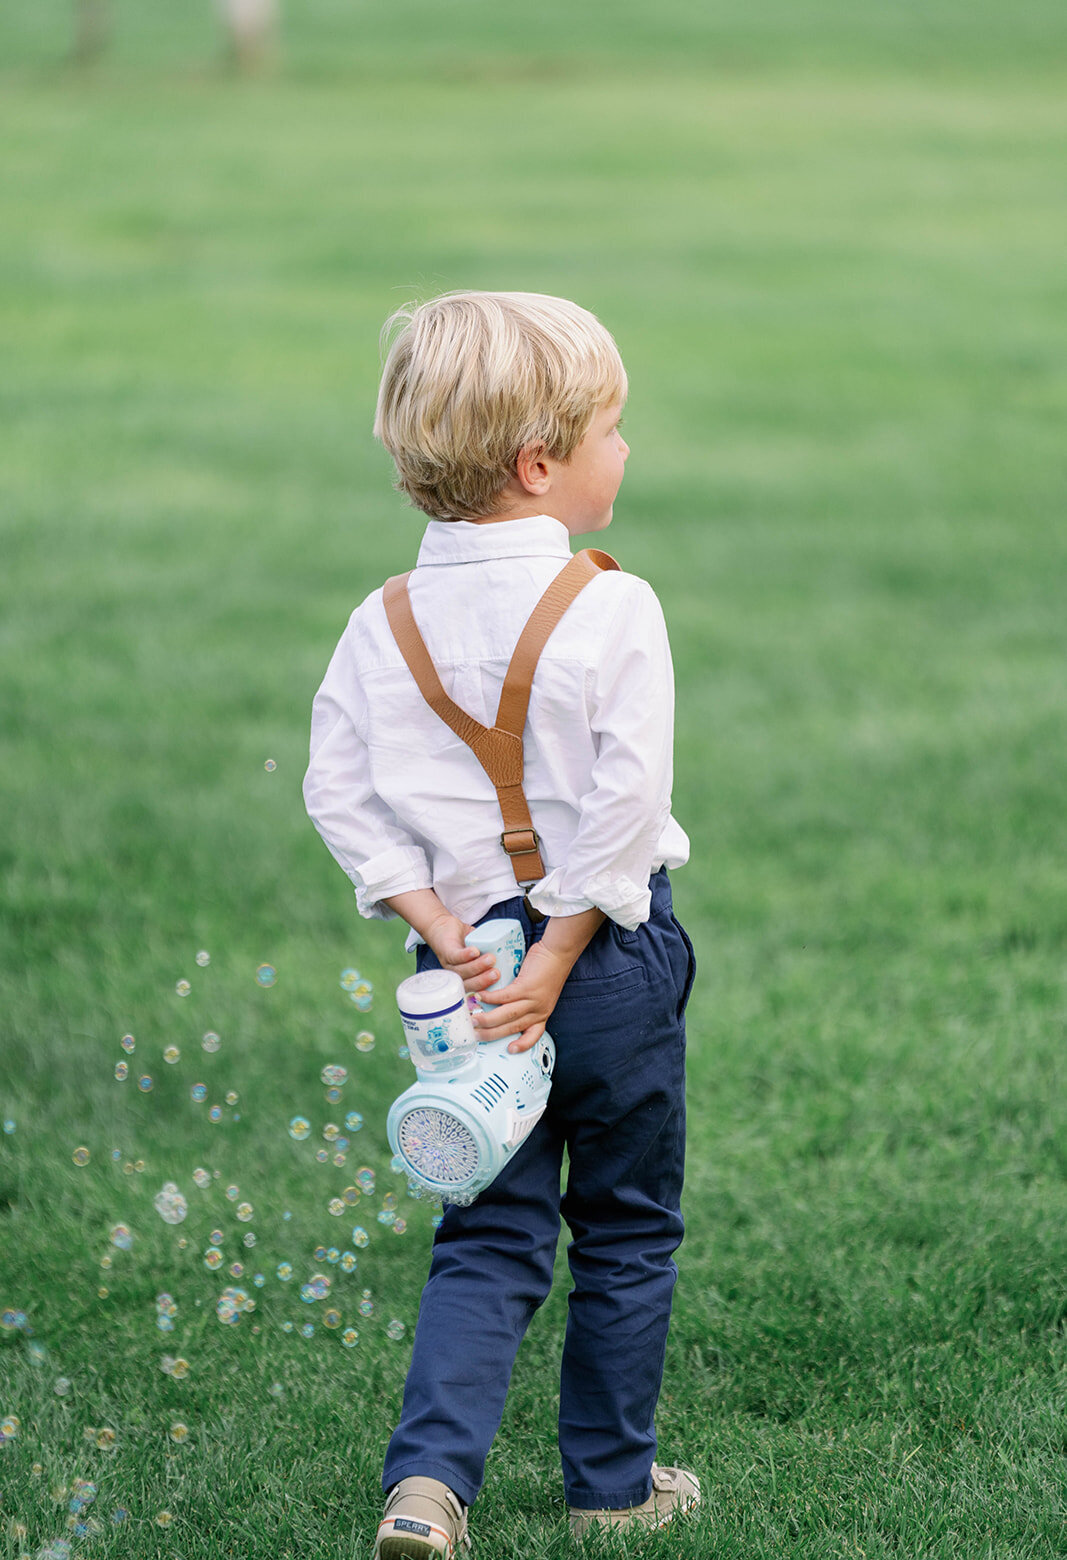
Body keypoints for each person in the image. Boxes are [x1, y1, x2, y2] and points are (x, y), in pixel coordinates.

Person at [303, 290, 698, 1557]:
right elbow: (626, 809)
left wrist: (443, 926)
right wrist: (565, 951)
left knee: (486, 1227)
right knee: (625, 1223)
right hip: (608, 965)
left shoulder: (383, 622)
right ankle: (609, 1488)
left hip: (464, 976)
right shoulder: (612, 607)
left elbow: (339, 791)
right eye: (611, 430)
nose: (625, 452)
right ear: (540, 465)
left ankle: (425, 1487)